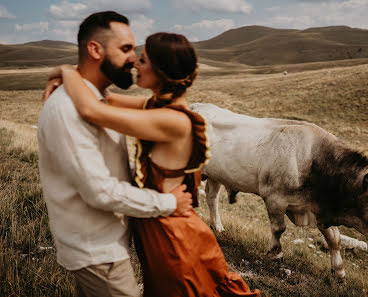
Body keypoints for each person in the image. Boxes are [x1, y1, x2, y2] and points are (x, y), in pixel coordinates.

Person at [45, 30, 260, 296]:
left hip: (172, 237)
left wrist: (67, 72)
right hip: (161, 230)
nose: (135, 62)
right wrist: (69, 75)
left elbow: (94, 110)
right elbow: (104, 99)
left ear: (161, 71)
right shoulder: (159, 107)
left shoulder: (172, 120)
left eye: (143, 60)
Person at [38, 11, 194, 297]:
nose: (133, 60)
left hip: (109, 244)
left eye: (137, 54)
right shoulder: (68, 109)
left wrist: (65, 70)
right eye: (125, 50)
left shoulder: (101, 100)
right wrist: (169, 202)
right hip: (96, 251)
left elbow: (101, 108)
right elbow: (100, 192)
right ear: (95, 50)